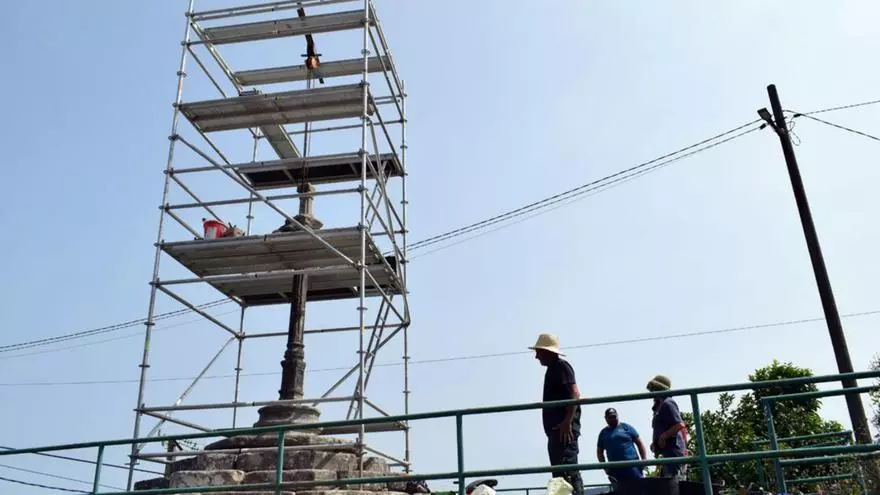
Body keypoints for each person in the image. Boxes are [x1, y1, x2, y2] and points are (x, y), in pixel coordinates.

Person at [530, 333, 584, 495]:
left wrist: (567, 422)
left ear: (547, 352)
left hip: (563, 432)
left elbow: (575, 394)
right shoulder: (554, 369)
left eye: (539, 352)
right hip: (558, 432)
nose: (536, 356)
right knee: (561, 476)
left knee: (568, 472)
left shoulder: (561, 367)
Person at [647, 375, 687, 480]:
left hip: (673, 453)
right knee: (667, 484)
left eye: (654, 389)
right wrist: (655, 442)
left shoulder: (668, 403)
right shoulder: (659, 405)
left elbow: (679, 425)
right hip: (666, 454)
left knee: (674, 483)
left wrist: (663, 437)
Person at [596, 407, 647, 484]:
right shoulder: (603, 433)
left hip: (633, 466)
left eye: (614, 416)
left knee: (639, 487)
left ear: (617, 416)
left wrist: (644, 460)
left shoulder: (627, 427)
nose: (612, 419)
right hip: (615, 469)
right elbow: (599, 452)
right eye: (610, 417)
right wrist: (605, 468)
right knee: (620, 489)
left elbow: (640, 444)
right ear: (605, 418)